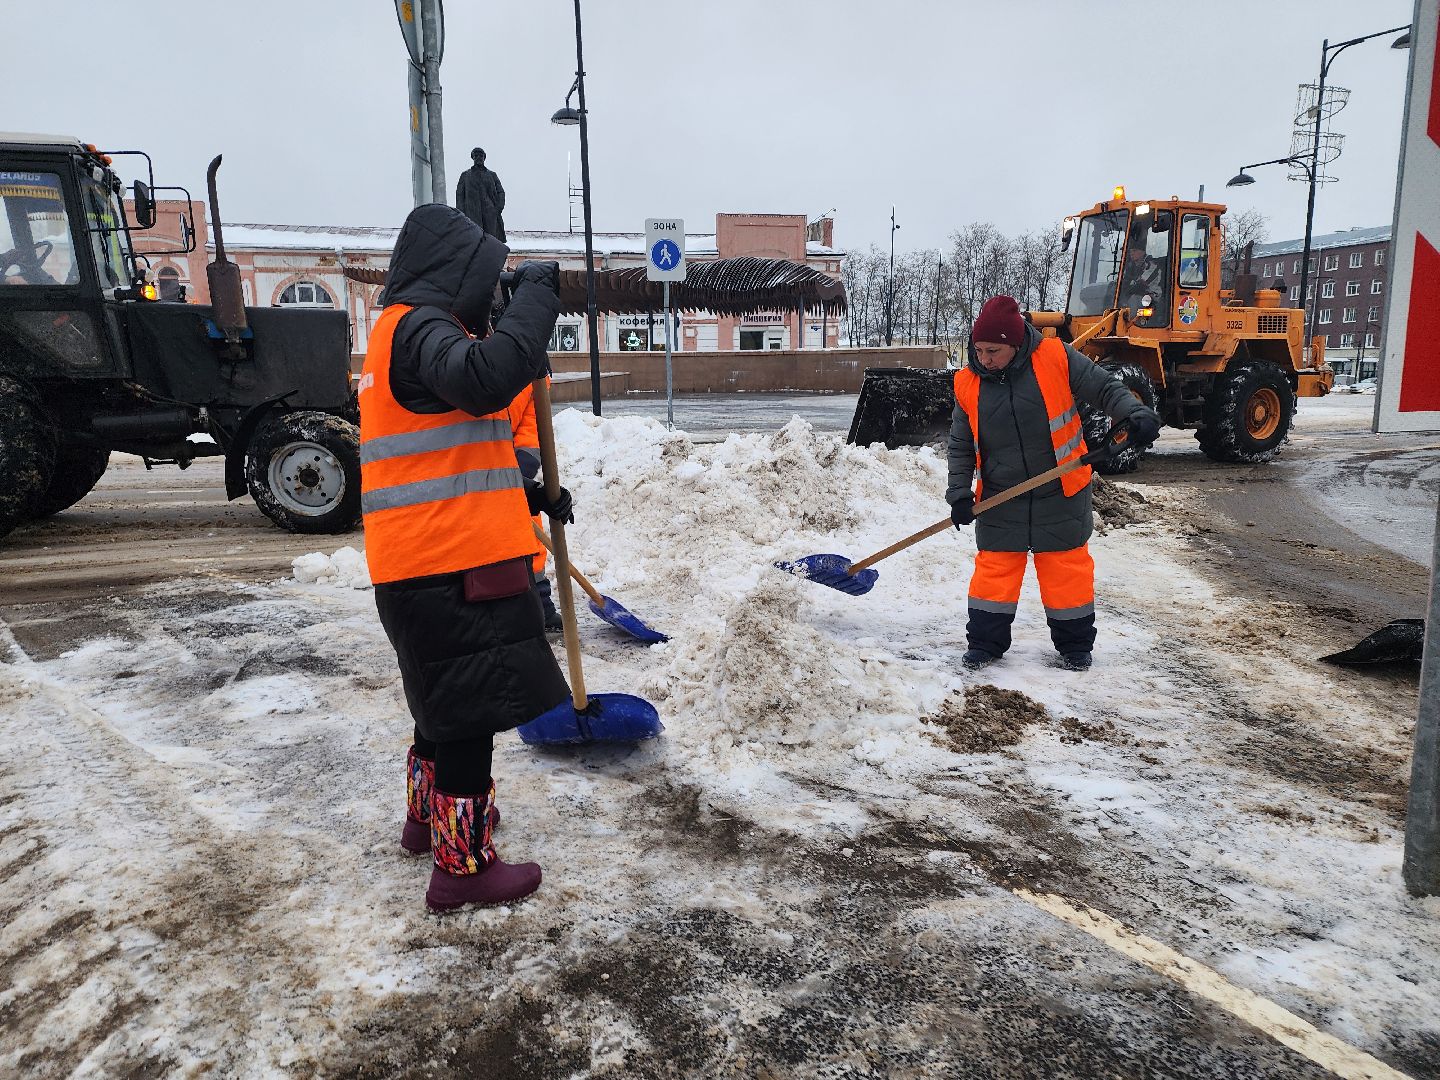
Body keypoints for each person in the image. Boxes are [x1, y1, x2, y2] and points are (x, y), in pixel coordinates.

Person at [359, 203, 571, 912]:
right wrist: (536, 298)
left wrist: (531, 493)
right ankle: (464, 864)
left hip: (424, 559)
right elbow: (484, 380)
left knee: (440, 705)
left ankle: (427, 821)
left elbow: (456, 451)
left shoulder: (399, 334)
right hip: (448, 564)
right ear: (456, 272)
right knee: (468, 716)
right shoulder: (420, 326)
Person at [947, 295, 1161, 672]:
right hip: (1001, 497)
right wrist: (959, 493)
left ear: (1015, 344)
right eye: (978, 350)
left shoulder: (1056, 357)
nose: (984, 359)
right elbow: (961, 445)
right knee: (994, 573)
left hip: (1061, 488)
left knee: (1066, 572)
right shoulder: (967, 383)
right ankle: (985, 644)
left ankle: (1075, 647)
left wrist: (1136, 412)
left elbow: (1106, 389)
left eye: (993, 351)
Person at [507, 376, 564, 634]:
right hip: (472, 464)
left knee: (529, 524)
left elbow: (531, 426)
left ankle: (540, 601)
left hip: (513, 463)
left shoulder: (536, 376)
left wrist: (522, 473)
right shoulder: (472, 351)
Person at [454, 147, 506, 241]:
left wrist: (497, 209)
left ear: (484, 158)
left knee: (491, 241)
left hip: (490, 213)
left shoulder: (492, 175)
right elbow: (459, 196)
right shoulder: (465, 175)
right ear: (472, 158)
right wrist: (461, 214)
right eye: (476, 155)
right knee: (473, 240)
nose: (478, 157)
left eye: (481, 156)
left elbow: (501, 192)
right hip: (472, 213)